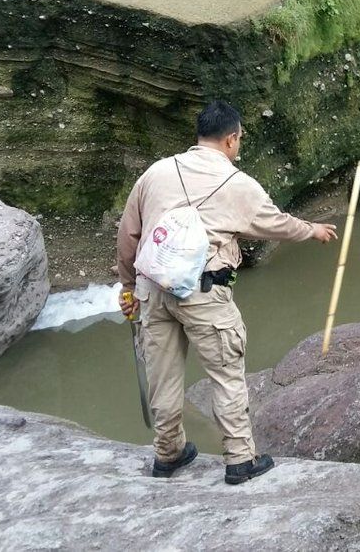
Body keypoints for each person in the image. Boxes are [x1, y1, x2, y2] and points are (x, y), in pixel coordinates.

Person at [116, 100, 338, 482]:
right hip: (203, 293)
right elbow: (274, 223)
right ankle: (239, 460)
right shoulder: (237, 184)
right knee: (226, 374)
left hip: (152, 288)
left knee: (163, 376)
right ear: (231, 139)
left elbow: (128, 235)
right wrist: (312, 230)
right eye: (240, 139)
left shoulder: (156, 173)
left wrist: (127, 286)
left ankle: (167, 453)